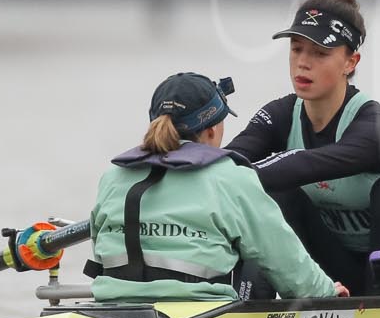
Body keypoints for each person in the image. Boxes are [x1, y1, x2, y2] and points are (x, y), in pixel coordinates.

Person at [226, 0, 380, 296]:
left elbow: (304, 164)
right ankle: (253, 311)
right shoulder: (280, 114)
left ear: (350, 62)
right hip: (346, 276)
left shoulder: (374, 125)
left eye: (320, 53)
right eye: (297, 48)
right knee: (277, 195)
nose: (303, 63)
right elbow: (229, 161)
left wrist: (230, 174)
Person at [88, 72, 342, 303]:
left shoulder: (113, 176)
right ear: (211, 130)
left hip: (114, 306)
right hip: (200, 316)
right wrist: (327, 293)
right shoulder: (230, 178)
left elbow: (100, 251)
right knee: (257, 253)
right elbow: (285, 261)